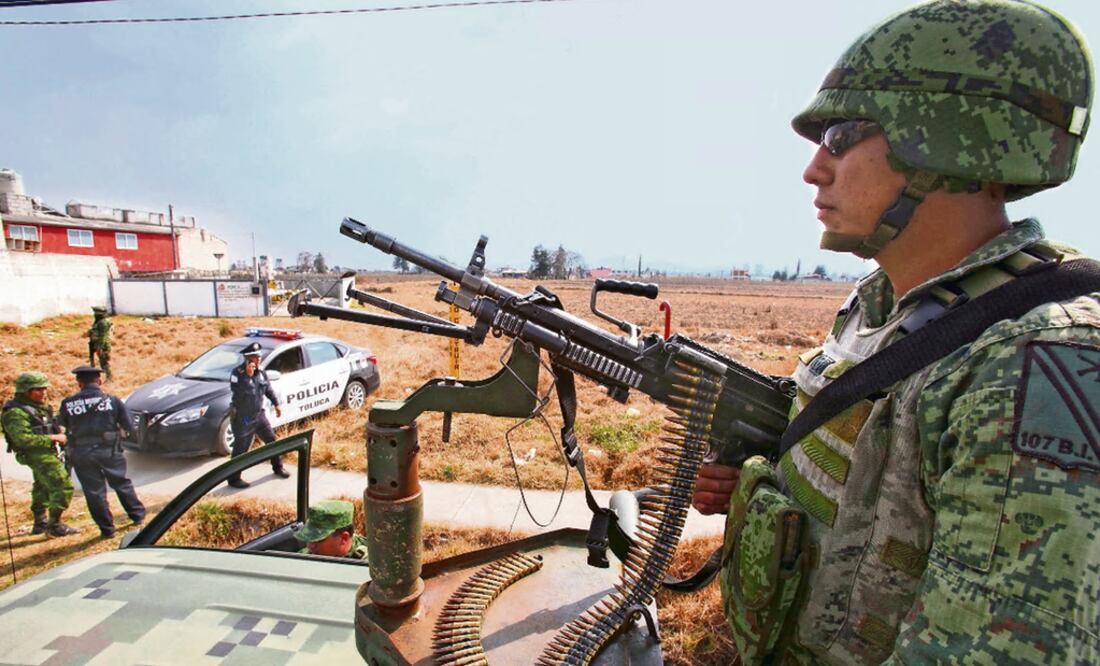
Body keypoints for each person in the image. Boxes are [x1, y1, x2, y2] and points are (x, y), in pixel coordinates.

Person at [693, 1, 1100, 663]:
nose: (813, 170)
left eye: (839, 138)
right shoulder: (882, 303)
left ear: (940, 139)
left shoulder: (1031, 365)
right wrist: (755, 478)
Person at [57, 365, 145, 539]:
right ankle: (137, 516)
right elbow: (129, 426)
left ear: (79, 383)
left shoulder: (68, 403)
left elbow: (62, 425)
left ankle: (107, 529)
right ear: (99, 381)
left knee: (93, 491)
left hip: (81, 453)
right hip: (109, 450)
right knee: (121, 483)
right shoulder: (112, 401)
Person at [0, 372, 78, 537]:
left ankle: (40, 523)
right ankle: (55, 526)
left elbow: (46, 423)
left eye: (44, 388)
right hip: (34, 454)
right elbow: (22, 439)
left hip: (45, 451)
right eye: (38, 389)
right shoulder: (15, 412)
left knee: (42, 486)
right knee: (62, 485)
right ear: (25, 391)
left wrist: (58, 430)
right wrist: (53, 437)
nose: (43, 393)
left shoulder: (38, 406)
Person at [226, 341, 287, 488]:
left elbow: (268, 390)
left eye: (259, 356)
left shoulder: (261, 372)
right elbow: (239, 394)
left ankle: (278, 467)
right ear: (248, 359)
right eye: (255, 357)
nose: (259, 359)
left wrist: (276, 403)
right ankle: (233, 479)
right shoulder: (237, 374)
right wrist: (247, 377)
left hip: (259, 414)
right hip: (244, 417)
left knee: (272, 440)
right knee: (242, 447)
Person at [293, 500, 368, 560]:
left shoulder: (367, 564)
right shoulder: (307, 555)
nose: (310, 546)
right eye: (310, 538)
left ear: (344, 538)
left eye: (318, 540)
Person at [88, 306, 113, 381]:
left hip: (103, 346)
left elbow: (103, 336)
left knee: (104, 362)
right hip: (95, 344)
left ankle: (109, 377)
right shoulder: (98, 322)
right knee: (99, 361)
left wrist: (100, 347)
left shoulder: (103, 323)